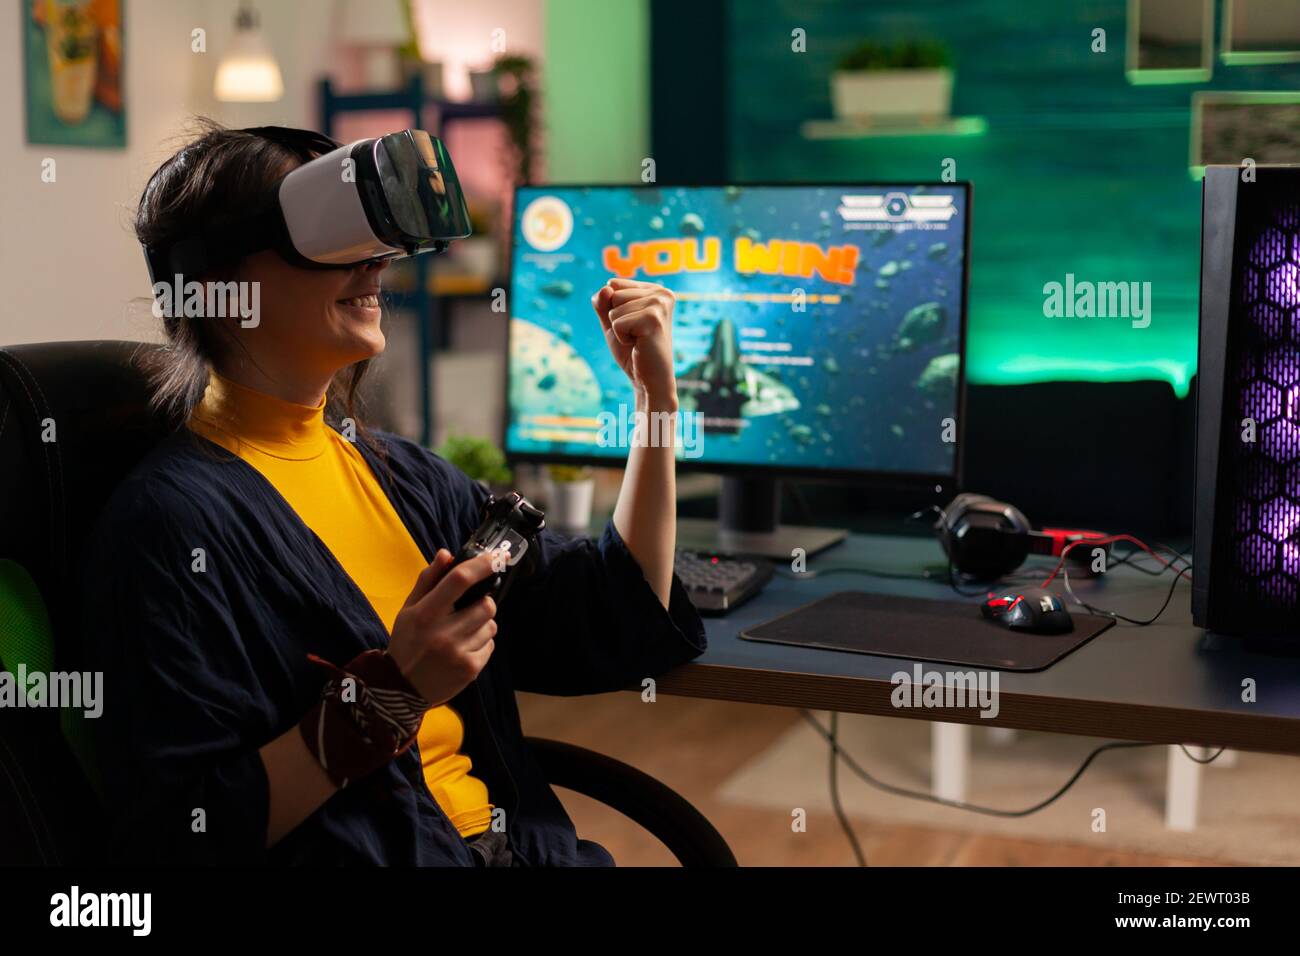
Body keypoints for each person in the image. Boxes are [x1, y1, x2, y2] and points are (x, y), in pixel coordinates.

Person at [80, 122, 706, 866]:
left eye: (375, 240)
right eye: (333, 240)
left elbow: (610, 610)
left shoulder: (401, 476)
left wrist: (654, 405)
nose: (377, 263)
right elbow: (189, 830)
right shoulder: (170, 527)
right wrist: (394, 691)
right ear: (222, 283)